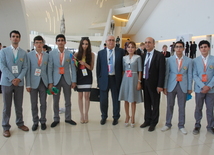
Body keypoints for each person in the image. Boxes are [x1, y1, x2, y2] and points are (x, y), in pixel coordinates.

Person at [0, 30, 29, 137]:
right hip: (7, 82)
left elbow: (25, 67)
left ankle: (20, 123)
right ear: (10, 38)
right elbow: (2, 66)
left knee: (19, 105)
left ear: (20, 39)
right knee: (7, 106)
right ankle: (6, 127)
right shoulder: (3, 51)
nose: (15, 38)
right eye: (13, 36)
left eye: (17, 36)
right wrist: (13, 79)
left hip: (19, 83)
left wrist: (19, 79)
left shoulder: (23, 53)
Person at [162, 41, 193, 135]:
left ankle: (181, 125)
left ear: (184, 48)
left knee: (182, 106)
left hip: (183, 86)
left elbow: (189, 74)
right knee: (170, 105)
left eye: (180, 47)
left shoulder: (189, 61)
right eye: (177, 47)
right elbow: (166, 74)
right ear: (174, 48)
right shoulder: (169, 60)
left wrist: (189, 87)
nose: (178, 48)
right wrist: (165, 86)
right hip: (171, 85)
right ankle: (168, 123)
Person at [48, 34, 77, 128]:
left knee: (68, 100)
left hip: (67, 80)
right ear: (56, 42)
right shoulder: (51, 54)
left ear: (65, 42)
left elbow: (73, 68)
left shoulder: (70, 54)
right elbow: (50, 68)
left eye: (62, 40)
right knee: (55, 101)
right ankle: (56, 118)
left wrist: (74, 81)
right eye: (58, 40)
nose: (60, 42)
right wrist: (50, 82)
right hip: (55, 81)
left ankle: (68, 118)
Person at [96, 35, 125, 125]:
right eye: (109, 40)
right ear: (106, 41)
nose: (111, 42)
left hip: (116, 79)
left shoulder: (121, 52)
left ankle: (116, 117)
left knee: (116, 99)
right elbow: (98, 68)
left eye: (113, 40)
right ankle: (104, 116)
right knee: (103, 100)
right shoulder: (101, 53)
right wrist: (98, 82)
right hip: (104, 79)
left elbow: (123, 66)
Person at [140, 37, 165, 132]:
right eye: (146, 42)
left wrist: (160, 85)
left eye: (149, 42)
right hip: (145, 82)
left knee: (155, 104)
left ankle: (154, 122)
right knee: (147, 103)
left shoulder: (159, 55)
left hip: (155, 84)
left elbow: (162, 72)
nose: (147, 44)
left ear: (154, 44)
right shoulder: (143, 55)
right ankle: (147, 120)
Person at [26, 35, 49, 131]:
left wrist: (50, 83)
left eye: (40, 43)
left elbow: (49, 70)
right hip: (33, 83)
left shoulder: (47, 55)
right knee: (33, 103)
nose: (39, 44)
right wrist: (28, 84)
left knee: (43, 103)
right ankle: (35, 121)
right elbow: (27, 71)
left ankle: (43, 121)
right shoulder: (29, 55)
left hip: (43, 82)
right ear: (34, 44)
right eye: (37, 43)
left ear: (43, 44)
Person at [119, 41, 143, 128]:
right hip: (126, 78)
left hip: (134, 78)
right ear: (126, 48)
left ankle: (133, 116)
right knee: (126, 99)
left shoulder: (138, 57)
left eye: (132, 47)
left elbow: (140, 70)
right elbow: (123, 70)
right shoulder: (124, 58)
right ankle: (127, 116)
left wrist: (139, 82)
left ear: (135, 48)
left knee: (133, 100)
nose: (130, 49)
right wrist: (123, 80)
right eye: (129, 47)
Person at [192, 40, 214, 135]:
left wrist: (209, 86)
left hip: (211, 89)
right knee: (198, 108)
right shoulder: (195, 61)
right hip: (199, 88)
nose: (203, 49)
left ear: (209, 48)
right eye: (201, 47)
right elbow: (194, 75)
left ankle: (210, 126)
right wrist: (202, 86)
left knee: (210, 108)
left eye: (205, 47)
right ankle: (197, 125)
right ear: (199, 49)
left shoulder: (213, 59)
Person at [74, 37, 95, 124]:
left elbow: (91, 68)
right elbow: (74, 67)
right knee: (80, 96)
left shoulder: (92, 54)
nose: (84, 46)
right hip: (79, 76)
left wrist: (85, 63)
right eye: (83, 44)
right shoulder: (76, 54)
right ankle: (81, 115)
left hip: (87, 76)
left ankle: (86, 114)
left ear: (89, 45)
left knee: (87, 96)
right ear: (80, 44)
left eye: (86, 44)